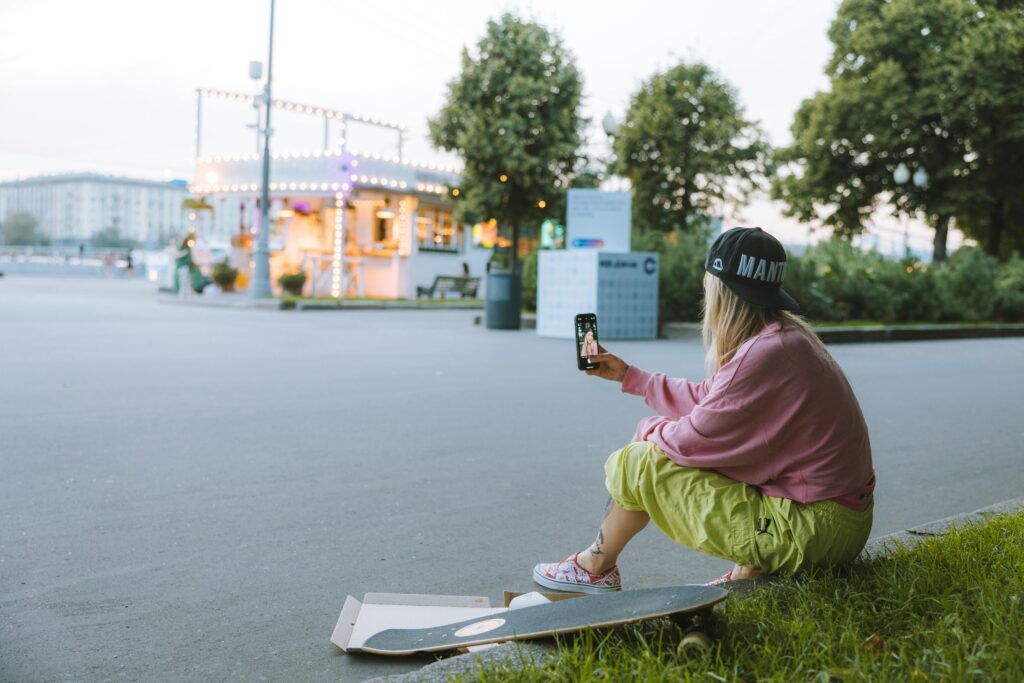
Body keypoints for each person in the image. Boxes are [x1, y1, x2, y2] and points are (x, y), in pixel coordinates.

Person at [533, 227, 875, 593]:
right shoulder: (785, 338)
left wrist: (648, 432)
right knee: (674, 452)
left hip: (812, 533)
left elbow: (691, 441)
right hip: (839, 523)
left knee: (636, 464)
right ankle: (750, 572)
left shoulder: (764, 353)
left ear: (720, 290)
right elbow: (713, 400)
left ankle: (594, 566)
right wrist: (631, 377)